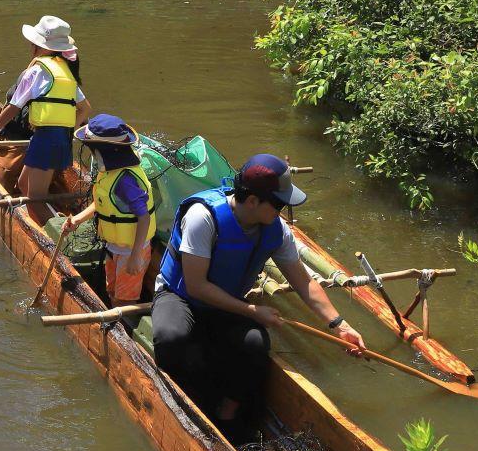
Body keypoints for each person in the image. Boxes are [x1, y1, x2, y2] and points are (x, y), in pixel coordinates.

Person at [153, 154, 366, 431]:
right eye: (278, 203)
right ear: (252, 201)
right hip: (181, 297)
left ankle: (226, 414)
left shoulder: (275, 230)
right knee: (171, 338)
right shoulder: (203, 218)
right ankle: (182, 401)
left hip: (226, 304)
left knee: (256, 344)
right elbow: (197, 285)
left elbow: (303, 282)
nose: (282, 210)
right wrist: (251, 311)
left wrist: (339, 326)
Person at [0, 15, 92, 226]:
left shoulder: (37, 70)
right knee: (23, 185)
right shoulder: (64, 71)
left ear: (40, 46)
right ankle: (47, 223)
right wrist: (67, 131)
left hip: (46, 140)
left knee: (34, 197)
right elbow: (85, 109)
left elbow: (13, 108)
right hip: (57, 140)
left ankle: (63, 237)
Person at [61, 114, 156, 307]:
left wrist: (136, 256)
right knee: (112, 291)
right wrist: (77, 220)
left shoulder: (125, 181)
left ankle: (123, 328)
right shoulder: (110, 174)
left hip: (130, 250)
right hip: (113, 247)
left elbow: (143, 217)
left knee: (123, 300)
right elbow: (101, 203)